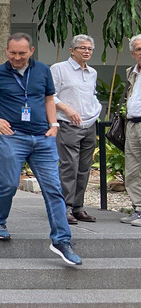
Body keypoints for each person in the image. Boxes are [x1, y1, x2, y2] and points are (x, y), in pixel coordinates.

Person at [0, 32, 82, 265]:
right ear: (7, 51)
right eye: (12, 53)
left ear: (31, 51)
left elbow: (49, 98)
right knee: (9, 184)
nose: (17, 57)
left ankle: (61, 240)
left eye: (22, 53)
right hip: (12, 136)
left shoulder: (42, 70)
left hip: (43, 137)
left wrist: (53, 125)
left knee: (53, 188)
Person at [50, 34, 102, 225]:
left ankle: (78, 207)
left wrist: (97, 110)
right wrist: (67, 109)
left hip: (89, 124)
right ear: (72, 50)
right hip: (68, 125)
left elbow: (92, 95)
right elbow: (50, 95)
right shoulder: (59, 69)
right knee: (68, 168)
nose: (87, 51)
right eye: (82, 48)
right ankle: (64, 208)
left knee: (84, 168)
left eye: (89, 48)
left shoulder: (92, 73)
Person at [121, 34, 141, 226]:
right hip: (133, 124)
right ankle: (138, 209)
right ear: (133, 53)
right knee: (133, 168)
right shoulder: (131, 71)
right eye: (139, 50)